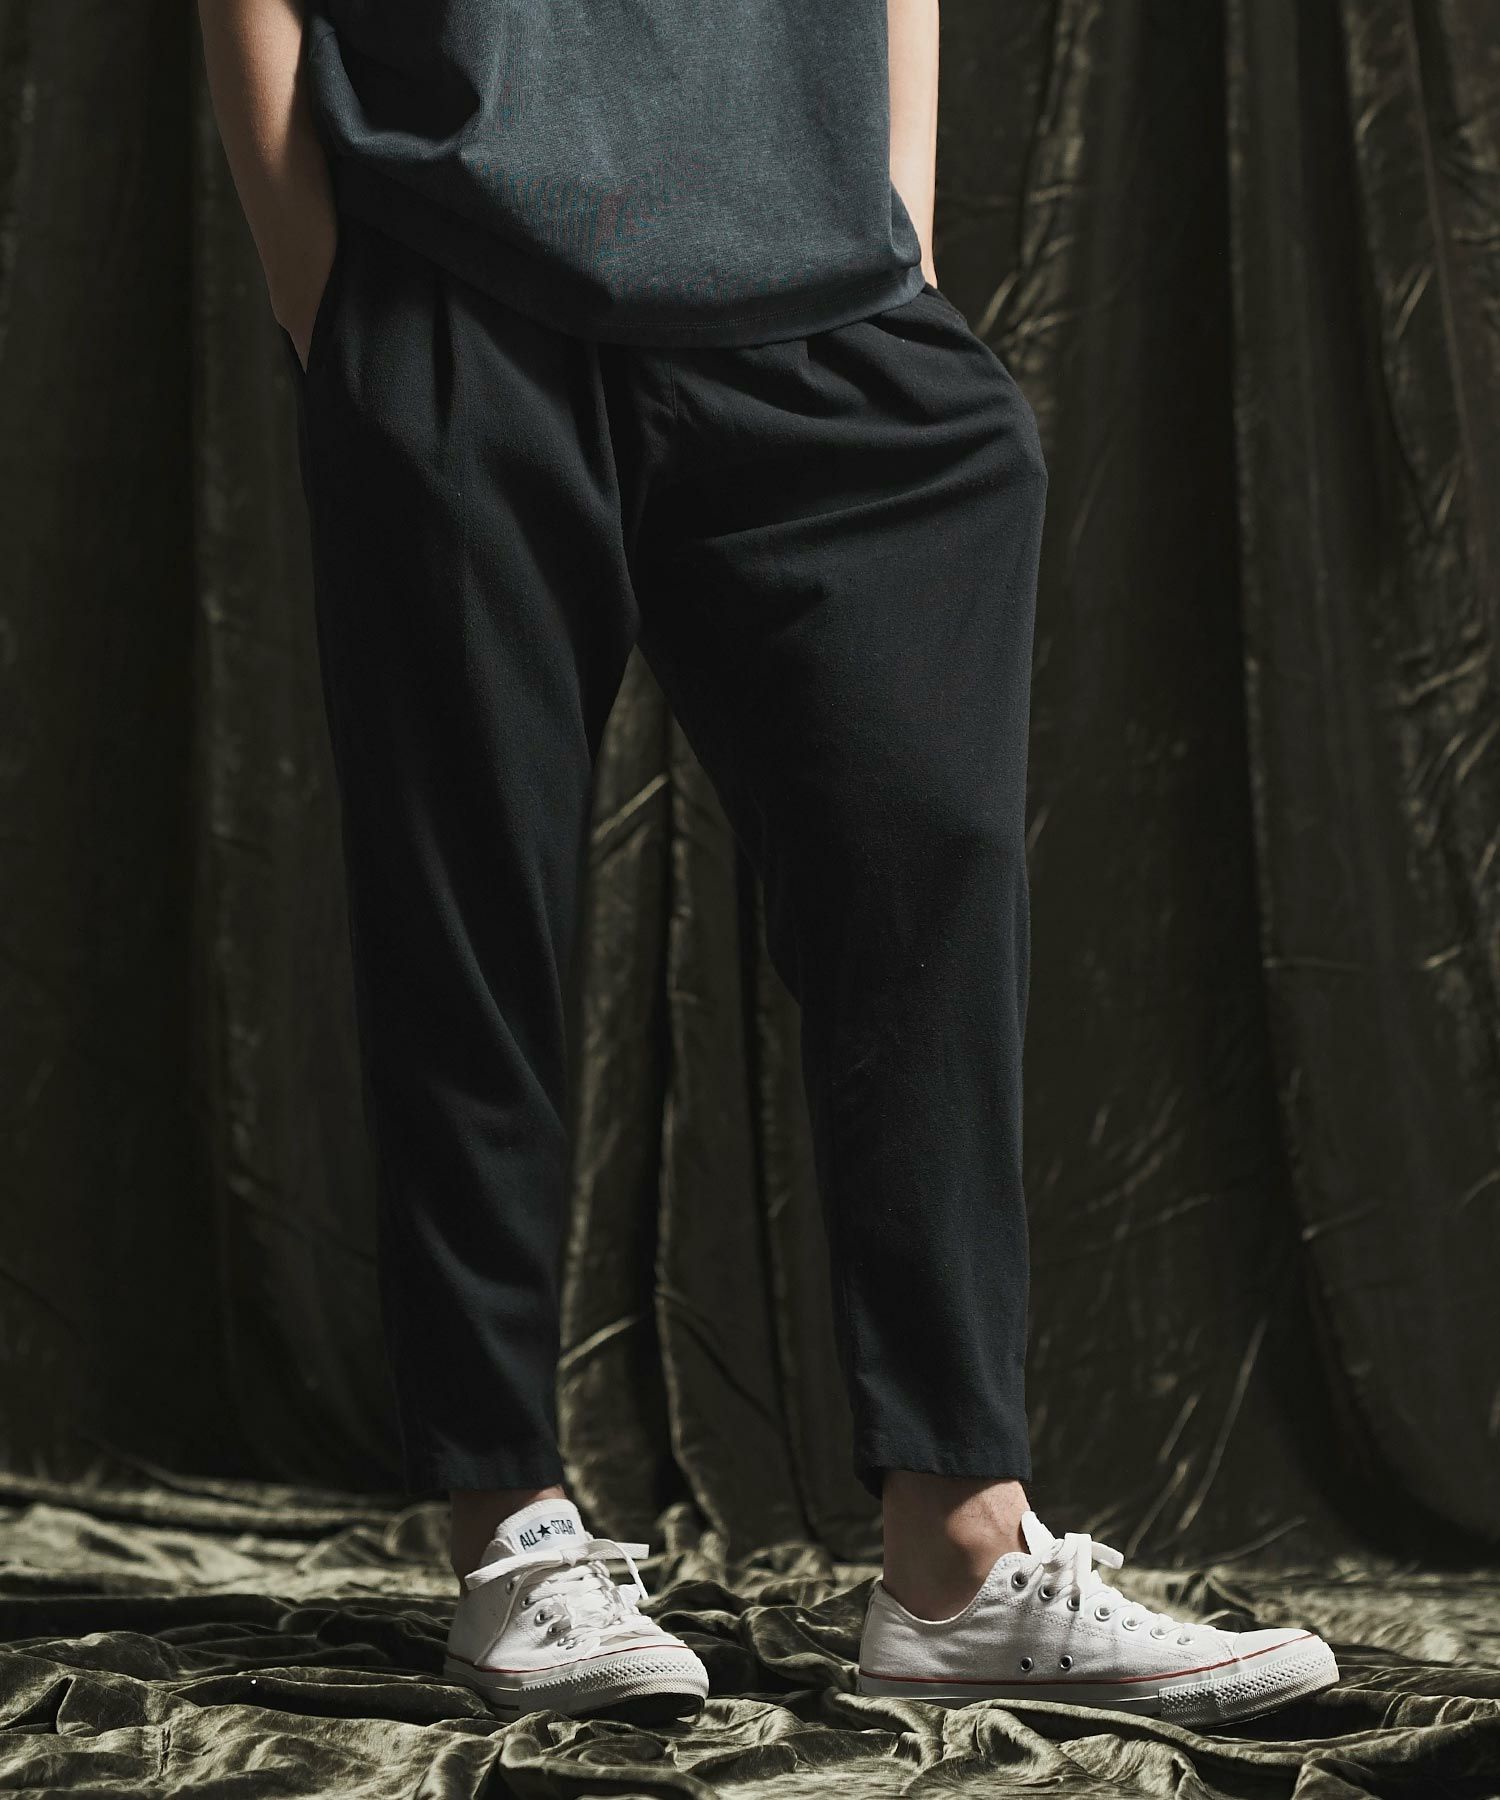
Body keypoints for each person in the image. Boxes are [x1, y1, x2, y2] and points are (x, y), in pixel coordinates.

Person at [197, 0, 1339, 1730]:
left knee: (929, 888)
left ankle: (959, 1555)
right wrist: (325, 282)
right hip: (454, 270)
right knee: (470, 915)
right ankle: (506, 1526)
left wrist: (899, 230)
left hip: (817, 287)